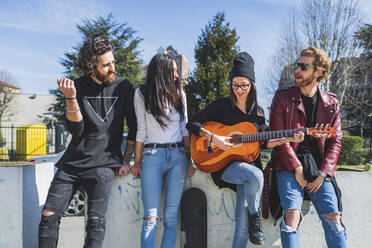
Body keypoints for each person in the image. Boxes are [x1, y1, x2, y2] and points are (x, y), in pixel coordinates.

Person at [187, 52, 304, 247]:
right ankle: (255, 218)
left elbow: (266, 142)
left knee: (241, 229)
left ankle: (250, 221)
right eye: (235, 85)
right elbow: (192, 123)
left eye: (244, 85)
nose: (239, 90)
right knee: (256, 175)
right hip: (225, 167)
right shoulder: (221, 106)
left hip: (248, 173)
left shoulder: (258, 113)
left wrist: (289, 138)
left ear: (252, 85)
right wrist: (214, 137)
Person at [38, 36, 137, 248]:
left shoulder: (124, 87)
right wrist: (70, 98)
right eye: (107, 65)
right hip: (72, 163)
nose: (113, 68)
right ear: (92, 67)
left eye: (113, 62)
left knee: (95, 223)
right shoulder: (77, 86)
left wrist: (126, 160)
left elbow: (134, 127)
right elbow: (76, 129)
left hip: (104, 164)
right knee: (48, 215)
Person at [270, 46, 346, 247]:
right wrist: (297, 168)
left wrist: (323, 173)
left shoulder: (331, 103)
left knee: (334, 219)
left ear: (319, 71)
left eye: (303, 66)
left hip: (319, 168)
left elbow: (335, 140)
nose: (297, 70)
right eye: (297, 65)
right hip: (288, 164)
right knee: (291, 216)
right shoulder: (282, 98)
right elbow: (280, 140)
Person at [130, 53, 194, 248]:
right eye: (174, 71)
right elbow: (141, 129)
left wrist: (190, 160)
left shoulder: (180, 94)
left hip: (178, 157)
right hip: (152, 156)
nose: (177, 75)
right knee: (151, 217)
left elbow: (184, 129)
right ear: (163, 71)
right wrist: (137, 161)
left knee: (171, 217)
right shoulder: (141, 94)